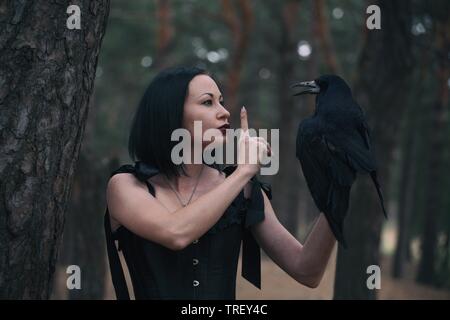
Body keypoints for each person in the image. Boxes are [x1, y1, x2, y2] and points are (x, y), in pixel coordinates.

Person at [105, 66, 336, 300]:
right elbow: (175, 233)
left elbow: (307, 271)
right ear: (169, 112)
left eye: (221, 102)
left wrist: (339, 192)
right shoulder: (127, 186)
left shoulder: (243, 191)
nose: (225, 112)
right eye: (208, 102)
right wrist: (243, 171)